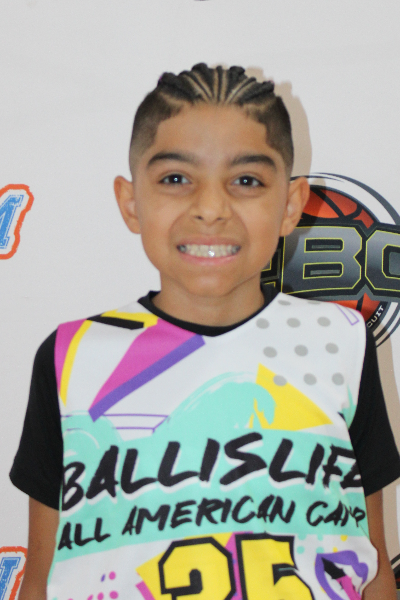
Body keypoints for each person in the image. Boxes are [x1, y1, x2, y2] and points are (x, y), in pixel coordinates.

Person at [10, 63, 400, 600]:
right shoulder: (72, 356)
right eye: (176, 179)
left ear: (290, 205)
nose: (211, 209)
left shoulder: (341, 342)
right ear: (130, 202)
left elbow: (373, 564)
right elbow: (41, 577)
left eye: (246, 181)